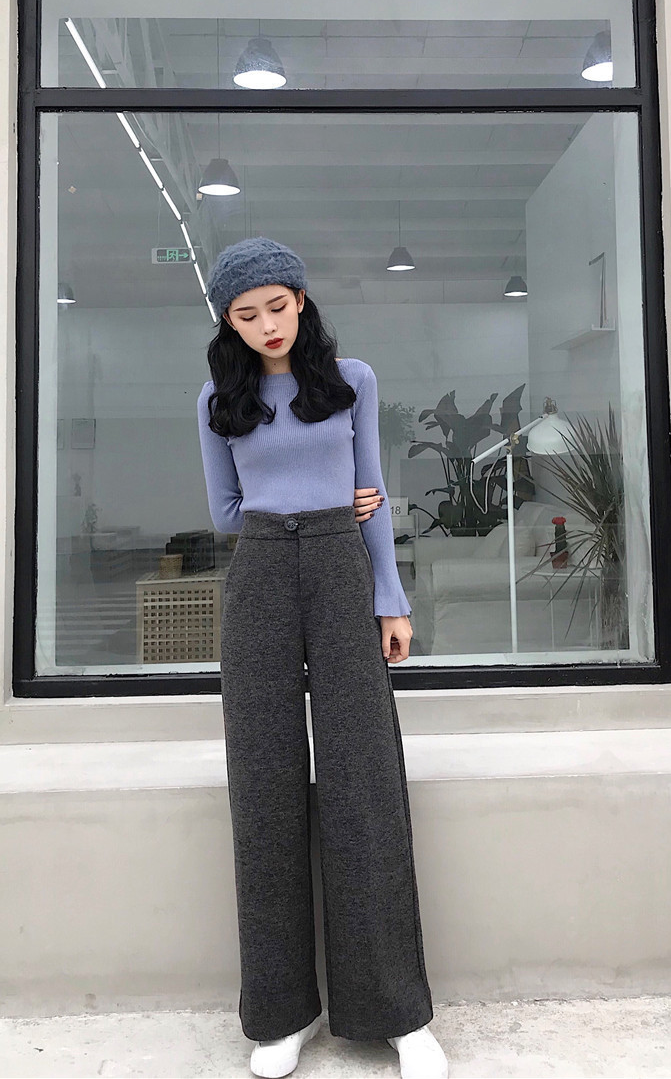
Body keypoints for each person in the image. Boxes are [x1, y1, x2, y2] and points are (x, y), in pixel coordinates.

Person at [197, 238, 448, 1079]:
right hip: (262, 572)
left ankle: (396, 1012)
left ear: (301, 301)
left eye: (277, 305)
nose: (266, 324)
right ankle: (282, 1014)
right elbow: (225, 511)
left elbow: (372, 496)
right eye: (246, 314)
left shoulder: (352, 381)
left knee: (363, 779)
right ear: (229, 323)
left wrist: (392, 599)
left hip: (344, 568)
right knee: (263, 786)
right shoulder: (218, 399)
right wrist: (308, 502)